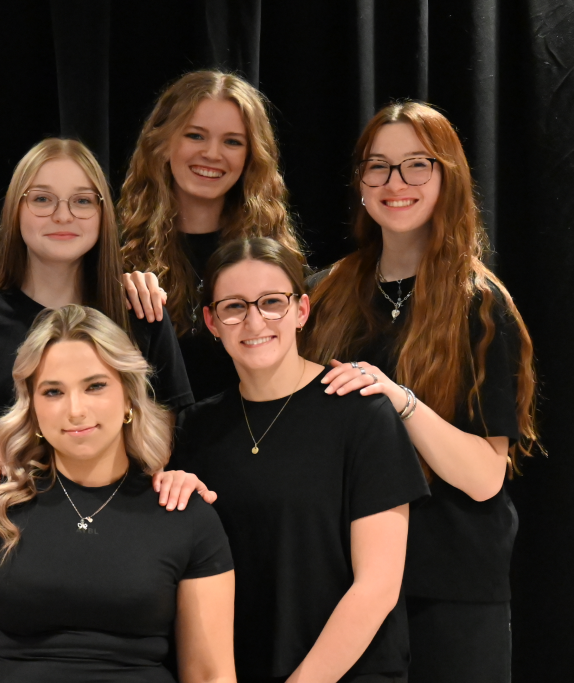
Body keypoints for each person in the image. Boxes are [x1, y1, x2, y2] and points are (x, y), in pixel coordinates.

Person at [303, 101, 540, 683]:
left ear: (447, 176)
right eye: (377, 166)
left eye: (417, 165)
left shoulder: (479, 302)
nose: (395, 183)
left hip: (450, 584)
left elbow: (486, 477)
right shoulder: (324, 293)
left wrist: (398, 398)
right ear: (360, 181)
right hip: (347, 584)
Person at [0, 304, 236, 682]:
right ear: (32, 406)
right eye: (53, 392)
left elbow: (211, 673)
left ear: (129, 396)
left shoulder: (185, 513)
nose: (76, 410)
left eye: (95, 385)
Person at [171, 237, 429, 683]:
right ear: (212, 322)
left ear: (301, 310)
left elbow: (378, 587)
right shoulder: (196, 430)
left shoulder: (361, 413)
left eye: (272, 302)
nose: (255, 321)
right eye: (234, 307)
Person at [0, 138, 194, 456]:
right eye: (42, 199)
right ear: (15, 210)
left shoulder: (142, 313)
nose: (63, 216)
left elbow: (164, 461)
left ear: (103, 212)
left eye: (81, 201)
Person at [119, 70, 304, 401]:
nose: (213, 154)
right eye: (195, 136)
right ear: (161, 144)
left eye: (232, 141)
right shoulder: (118, 257)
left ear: (251, 156)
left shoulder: (274, 255)